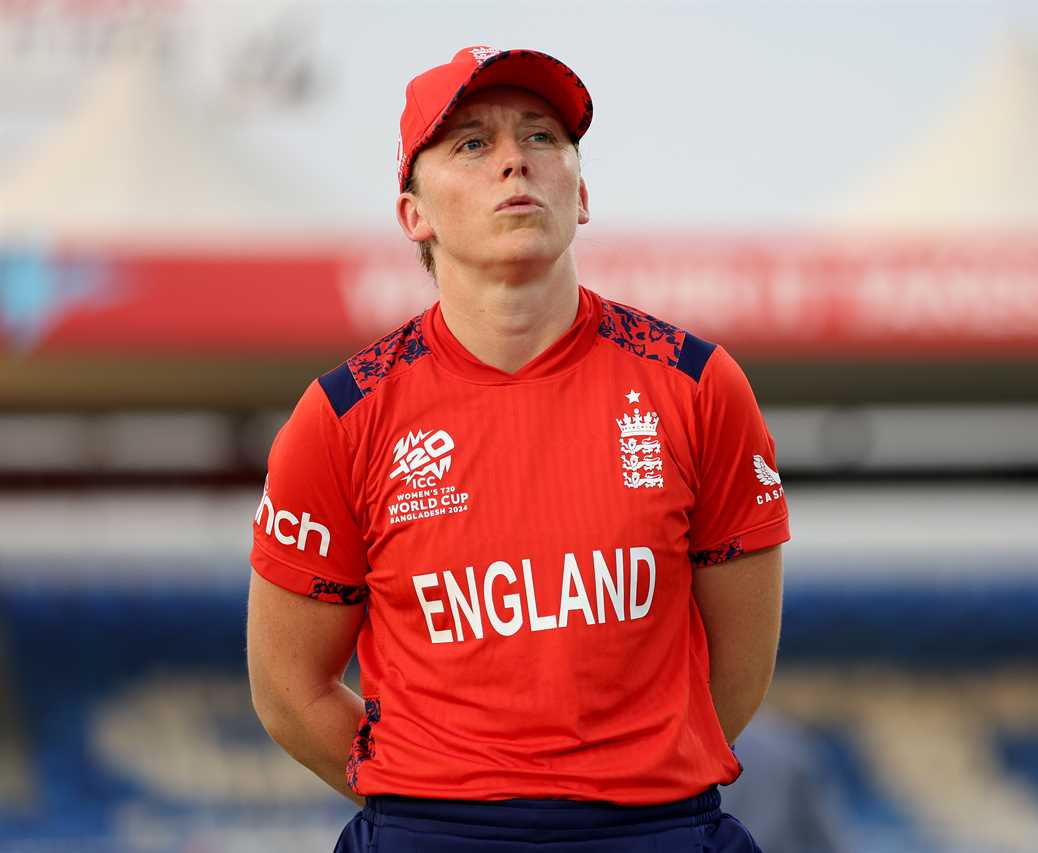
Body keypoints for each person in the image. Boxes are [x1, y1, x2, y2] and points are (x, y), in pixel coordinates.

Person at [246, 45, 789, 853]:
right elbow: (290, 691)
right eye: (471, 143)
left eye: (541, 137)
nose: (515, 163)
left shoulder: (698, 385)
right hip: (432, 830)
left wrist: (623, 781)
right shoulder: (343, 416)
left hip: (656, 828)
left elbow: (737, 676)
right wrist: (435, 788)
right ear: (413, 214)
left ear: (582, 193)